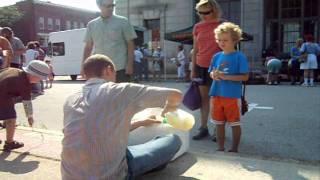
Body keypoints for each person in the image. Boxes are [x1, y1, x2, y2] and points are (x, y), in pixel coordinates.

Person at [61, 54, 182, 179]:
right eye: (115, 74)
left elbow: (93, 130)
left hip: (70, 175)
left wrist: (140, 122)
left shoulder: (70, 99)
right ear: (108, 70)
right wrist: (167, 110)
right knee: (173, 140)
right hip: (112, 175)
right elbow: (176, 95)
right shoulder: (121, 90)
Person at [209, 22, 249, 152]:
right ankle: (220, 148)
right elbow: (211, 71)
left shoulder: (239, 56)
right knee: (218, 124)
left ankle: (234, 148)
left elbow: (245, 77)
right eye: (219, 40)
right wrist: (213, 75)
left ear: (235, 40)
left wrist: (226, 77)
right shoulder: (216, 56)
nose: (221, 43)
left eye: (225, 40)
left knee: (234, 123)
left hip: (232, 96)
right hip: (216, 94)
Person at [82, 0, 137, 83]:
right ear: (99, 5)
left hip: (120, 69)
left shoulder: (123, 22)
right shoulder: (92, 25)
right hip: (99, 70)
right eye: (107, 6)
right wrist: (84, 67)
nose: (111, 8)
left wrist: (130, 65)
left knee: (120, 95)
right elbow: (88, 47)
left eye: (112, 5)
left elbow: (130, 44)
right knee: (102, 95)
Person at [0, 60, 50, 150]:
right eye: (40, 78)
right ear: (33, 75)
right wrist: (30, 117)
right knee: (11, 119)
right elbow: (27, 102)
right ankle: (9, 143)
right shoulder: (24, 83)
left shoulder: (14, 70)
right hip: (2, 96)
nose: (40, 81)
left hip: (3, 92)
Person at [191, 0, 222, 140]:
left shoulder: (222, 25)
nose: (203, 15)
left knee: (217, 99)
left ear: (214, 10)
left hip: (218, 67)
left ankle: (218, 129)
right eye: (200, 12)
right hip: (201, 65)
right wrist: (193, 68)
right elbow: (195, 49)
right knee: (204, 99)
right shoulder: (197, 27)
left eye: (206, 12)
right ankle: (203, 127)